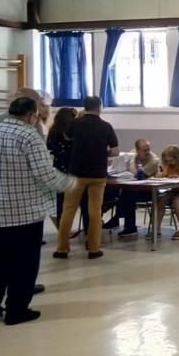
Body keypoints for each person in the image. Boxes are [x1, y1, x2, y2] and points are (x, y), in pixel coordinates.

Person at [0, 97, 75, 325]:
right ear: (31, 116)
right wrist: (71, 183)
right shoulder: (29, 136)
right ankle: (16, 310)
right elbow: (45, 175)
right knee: (24, 265)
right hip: (25, 213)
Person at [54, 96, 119, 260]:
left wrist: (78, 118)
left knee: (69, 210)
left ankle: (62, 248)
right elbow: (115, 151)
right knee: (95, 211)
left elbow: (67, 137)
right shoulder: (106, 126)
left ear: (85, 107)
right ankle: (93, 248)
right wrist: (102, 153)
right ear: (100, 107)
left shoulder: (76, 124)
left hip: (76, 173)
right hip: (98, 174)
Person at [105, 139, 161, 239]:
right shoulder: (132, 155)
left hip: (150, 191)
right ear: (137, 150)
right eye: (144, 150)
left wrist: (131, 160)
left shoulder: (154, 160)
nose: (147, 152)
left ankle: (120, 221)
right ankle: (127, 225)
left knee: (127, 194)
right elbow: (124, 170)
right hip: (135, 188)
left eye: (148, 149)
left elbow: (136, 174)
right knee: (121, 192)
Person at [152, 144, 179, 240]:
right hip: (174, 189)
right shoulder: (168, 165)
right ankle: (157, 229)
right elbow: (165, 175)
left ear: (178, 158)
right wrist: (165, 176)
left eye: (171, 160)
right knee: (160, 200)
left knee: (176, 202)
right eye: (167, 161)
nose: (169, 163)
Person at [46, 107, 77, 225]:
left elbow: (49, 148)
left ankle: (61, 225)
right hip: (72, 167)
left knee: (61, 201)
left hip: (58, 168)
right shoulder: (72, 133)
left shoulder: (53, 131)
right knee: (73, 201)